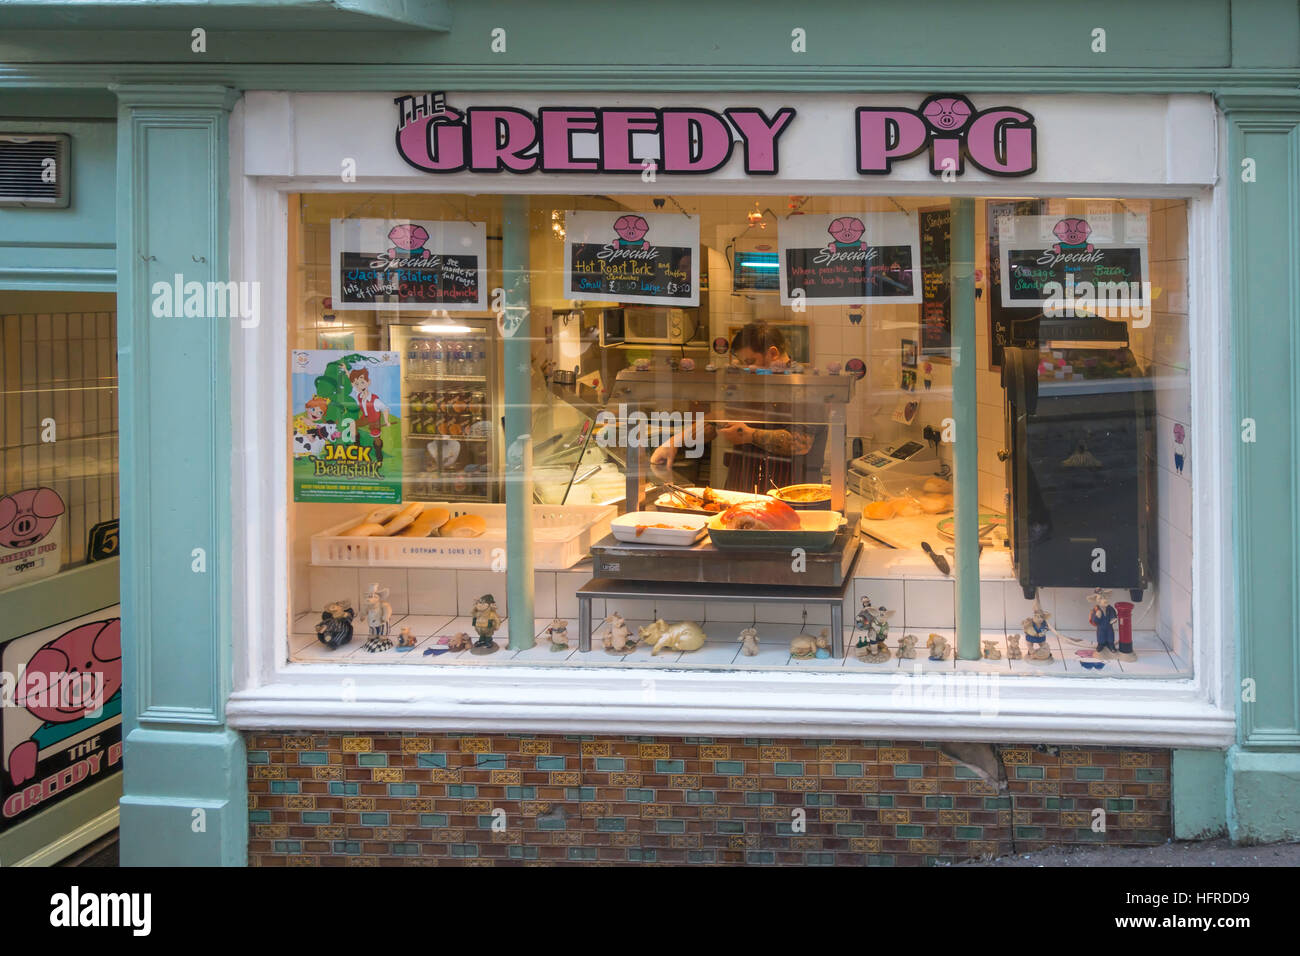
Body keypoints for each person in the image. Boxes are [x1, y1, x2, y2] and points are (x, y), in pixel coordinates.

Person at [649, 322, 826, 492]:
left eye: (750, 361)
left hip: (790, 494)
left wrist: (749, 435)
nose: (746, 368)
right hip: (743, 489)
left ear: (773, 353)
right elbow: (720, 419)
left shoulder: (804, 386)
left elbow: (800, 443)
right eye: (743, 362)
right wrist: (675, 442)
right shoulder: (753, 381)